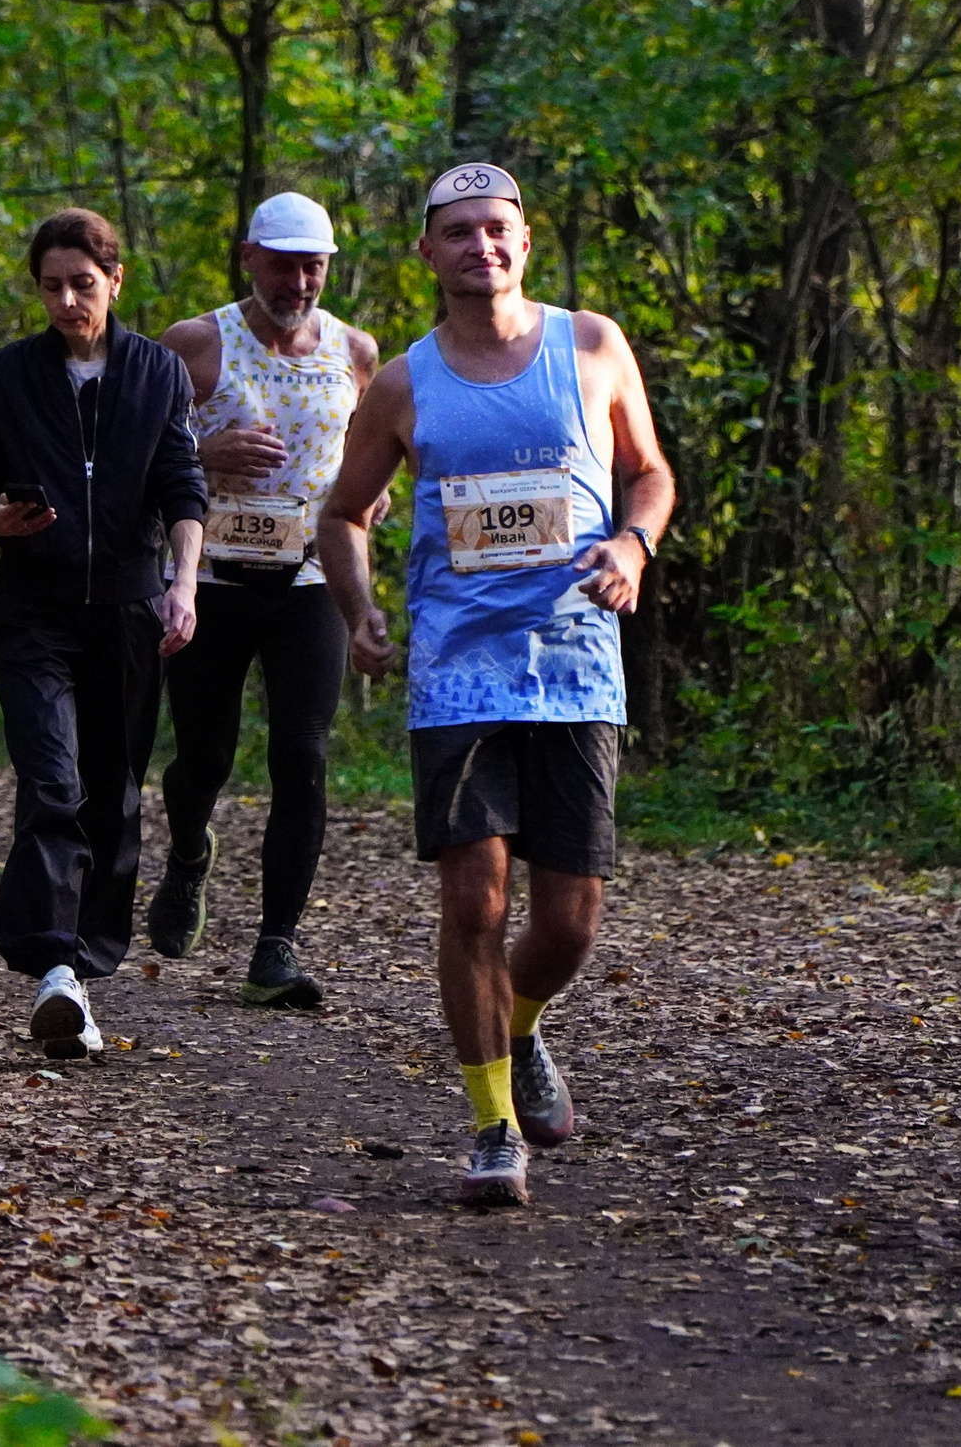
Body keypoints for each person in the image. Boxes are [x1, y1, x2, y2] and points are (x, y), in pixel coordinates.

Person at [320, 163, 675, 1208]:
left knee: (569, 925)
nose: (482, 246)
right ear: (427, 254)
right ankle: (489, 1130)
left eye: (497, 229)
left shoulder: (592, 346)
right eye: (459, 233)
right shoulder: (404, 383)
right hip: (457, 671)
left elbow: (649, 472)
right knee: (473, 900)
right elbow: (343, 513)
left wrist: (632, 542)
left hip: (574, 666)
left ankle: (518, 1029)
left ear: (526, 241)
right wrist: (357, 611)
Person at [0, 208, 207, 1059]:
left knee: (114, 792)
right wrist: (4, 519)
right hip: (33, 613)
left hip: (131, 613)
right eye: (52, 286)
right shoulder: (6, 377)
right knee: (53, 782)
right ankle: (53, 967)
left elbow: (183, 488)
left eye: (83, 284)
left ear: (116, 280)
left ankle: (83, 962)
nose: (67, 301)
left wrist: (183, 584)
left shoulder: (158, 373)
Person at [149, 192, 379, 1009]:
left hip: (308, 586)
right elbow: (137, 455)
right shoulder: (195, 344)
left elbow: (366, 467)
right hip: (208, 579)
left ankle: (275, 946)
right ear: (249, 256)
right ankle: (186, 858)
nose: (299, 279)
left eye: (313, 263)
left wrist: (365, 540)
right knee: (204, 755)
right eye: (283, 261)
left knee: (303, 757)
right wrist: (204, 455)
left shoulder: (355, 351)